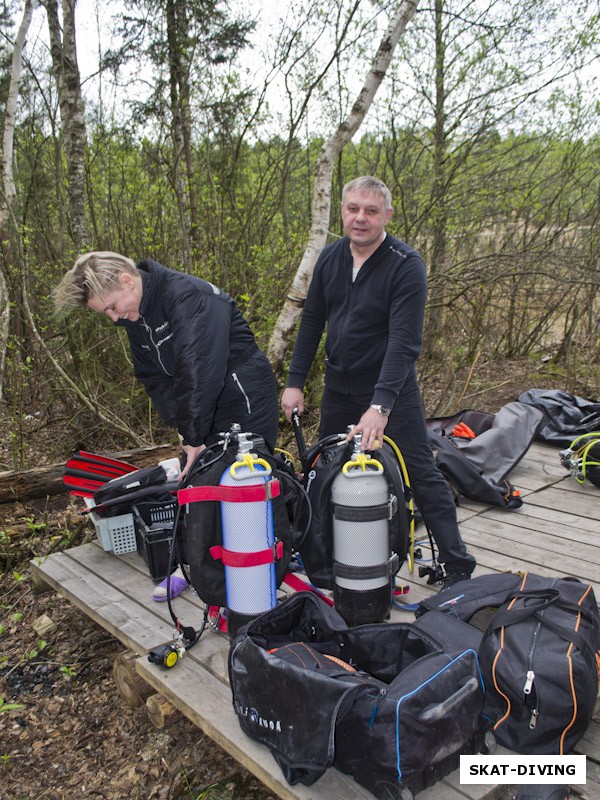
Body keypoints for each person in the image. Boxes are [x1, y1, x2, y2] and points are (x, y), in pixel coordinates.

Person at [281, 176, 476, 589]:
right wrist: (295, 381)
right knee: (327, 472)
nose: (360, 218)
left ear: (387, 215)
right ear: (343, 211)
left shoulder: (406, 265)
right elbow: (313, 321)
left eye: (371, 211)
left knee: (421, 473)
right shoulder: (331, 258)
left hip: (391, 391)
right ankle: (332, 556)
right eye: (353, 209)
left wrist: (380, 406)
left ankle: (458, 565)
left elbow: (405, 343)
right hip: (338, 386)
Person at [55, 252, 280, 599]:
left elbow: (198, 371)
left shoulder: (186, 296)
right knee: (196, 486)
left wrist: (193, 435)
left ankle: (261, 565)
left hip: (241, 395)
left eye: (113, 307)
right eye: (107, 314)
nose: (115, 318)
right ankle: (193, 568)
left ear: (126, 280)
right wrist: (181, 426)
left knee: (245, 484)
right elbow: (154, 378)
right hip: (200, 404)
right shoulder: (136, 314)